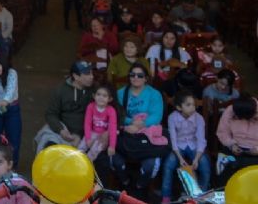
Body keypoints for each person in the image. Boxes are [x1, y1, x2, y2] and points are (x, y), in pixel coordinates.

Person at [117, 63, 165, 199]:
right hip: (127, 131)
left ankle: (140, 186)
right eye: (132, 75)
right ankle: (125, 182)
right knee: (114, 158)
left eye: (140, 75)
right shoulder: (121, 93)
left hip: (147, 134)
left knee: (150, 165)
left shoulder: (154, 94)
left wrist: (140, 125)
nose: (135, 78)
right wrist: (130, 123)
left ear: (146, 78)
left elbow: (157, 116)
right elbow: (118, 114)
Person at [162, 89, 210, 203]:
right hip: (178, 146)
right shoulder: (172, 117)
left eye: (193, 104)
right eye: (188, 105)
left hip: (194, 145)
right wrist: (180, 158)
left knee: (205, 164)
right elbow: (173, 139)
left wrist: (196, 159)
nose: (192, 107)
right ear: (179, 107)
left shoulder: (199, 118)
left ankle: (202, 195)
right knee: (168, 165)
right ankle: (166, 197)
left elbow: (201, 140)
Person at [36, 60, 94, 152]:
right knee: (48, 145)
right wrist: (61, 130)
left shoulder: (95, 91)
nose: (91, 76)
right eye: (87, 74)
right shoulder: (61, 90)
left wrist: (80, 135)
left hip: (87, 134)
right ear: (75, 76)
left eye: (91, 73)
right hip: (63, 132)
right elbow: (50, 114)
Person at [0, 56, 22, 167]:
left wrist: (5, 101)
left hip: (12, 110)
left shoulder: (12, 73)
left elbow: (11, 90)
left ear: (4, 64)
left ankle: (11, 168)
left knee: (13, 141)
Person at [215, 94, 258, 184]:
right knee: (227, 168)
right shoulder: (231, 110)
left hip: (255, 152)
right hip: (235, 148)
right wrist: (231, 145)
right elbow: (222, 132)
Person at [79, 85, 118, 162]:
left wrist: (112, 146)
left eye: (104, 96)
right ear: (94, 96)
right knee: (81, 147)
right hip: (92, 132)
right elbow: (87, 124)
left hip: (103, 136)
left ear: (110, 99)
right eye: (98, 94)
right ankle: (77, 160)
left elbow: (113, 129)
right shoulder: (91, 106)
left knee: (94, 151)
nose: (101, 97)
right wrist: (88, 139)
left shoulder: (111, 110)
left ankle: (86, 164)